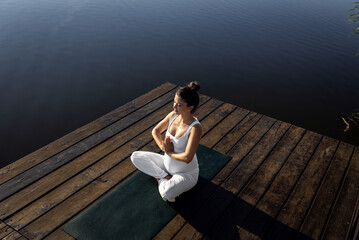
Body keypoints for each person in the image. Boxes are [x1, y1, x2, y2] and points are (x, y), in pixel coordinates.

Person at [130, 82, 202, 202]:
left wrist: (169, 152)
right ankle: (165, 176)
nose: (174, 107)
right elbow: (156, 131)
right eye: (174, 102)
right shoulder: (173, 115)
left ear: (190, 107)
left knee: (167, 194)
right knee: (135, 156)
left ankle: (160, 178)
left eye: (179, 105)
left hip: (185, 174)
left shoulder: (195, 128)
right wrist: (163, 147)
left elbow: (188, 158)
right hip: (166, 163)